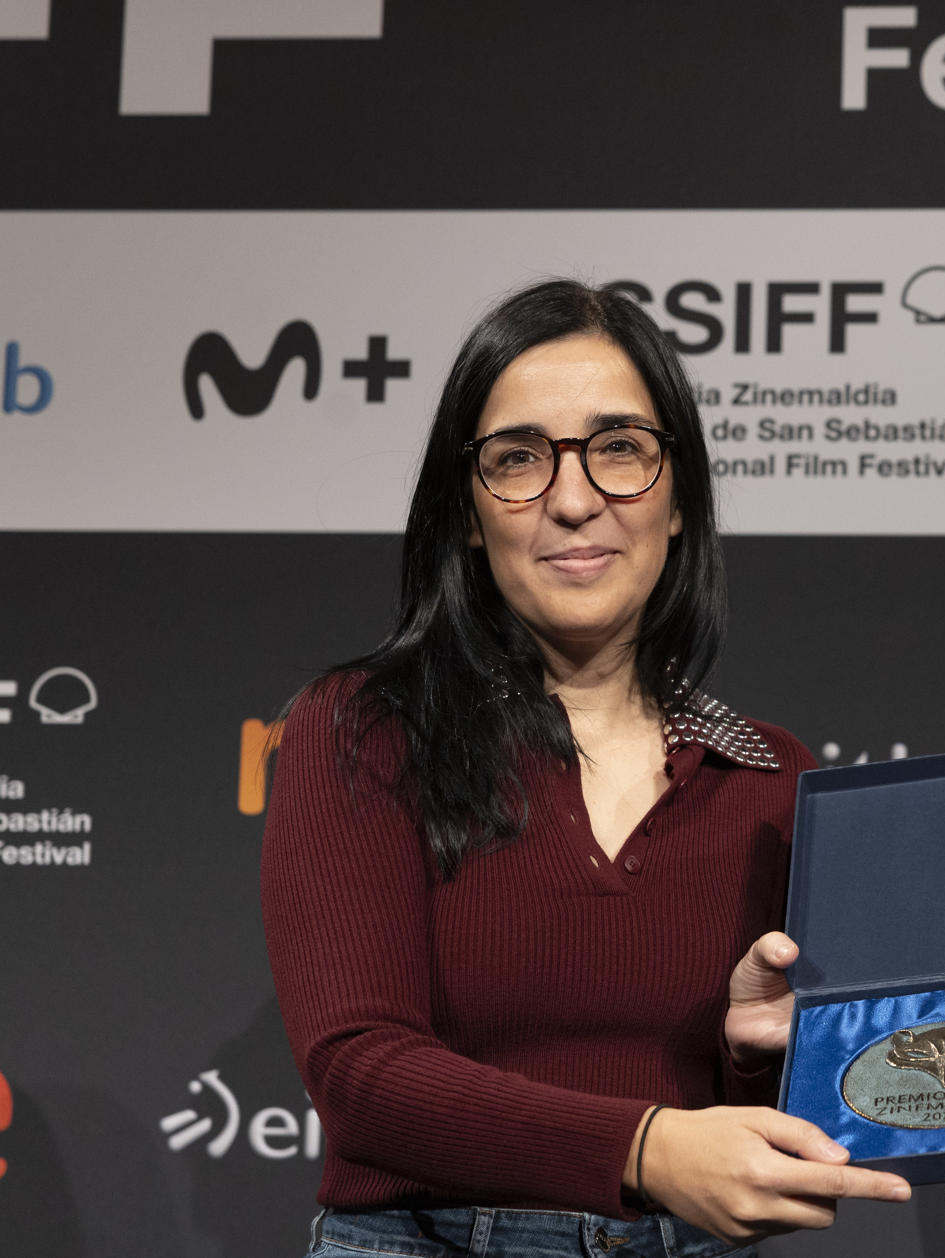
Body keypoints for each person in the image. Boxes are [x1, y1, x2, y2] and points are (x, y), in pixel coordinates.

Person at [260, 279, 909, 1258]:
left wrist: (747, 1055)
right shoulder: (363, 729)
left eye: (619, 451)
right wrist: (643, 1145)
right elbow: (360, 1076)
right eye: (519, 459)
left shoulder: (772, 777)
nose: (572, 499)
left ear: (679, 495)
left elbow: (764, 1136)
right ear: (470, 514)